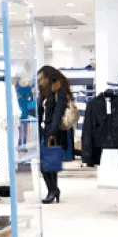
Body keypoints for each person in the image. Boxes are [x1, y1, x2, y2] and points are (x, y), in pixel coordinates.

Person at [37, 65, 72, 204]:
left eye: (41, 78)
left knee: (45, 163)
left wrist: (52, 132)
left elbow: (58, 113)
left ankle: (52, 190)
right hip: (45, 130)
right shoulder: (45, 92)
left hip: (53, 132)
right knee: (50, 162)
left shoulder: (60, 91)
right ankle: (53, 190)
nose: (39, 81)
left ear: (48, 77)